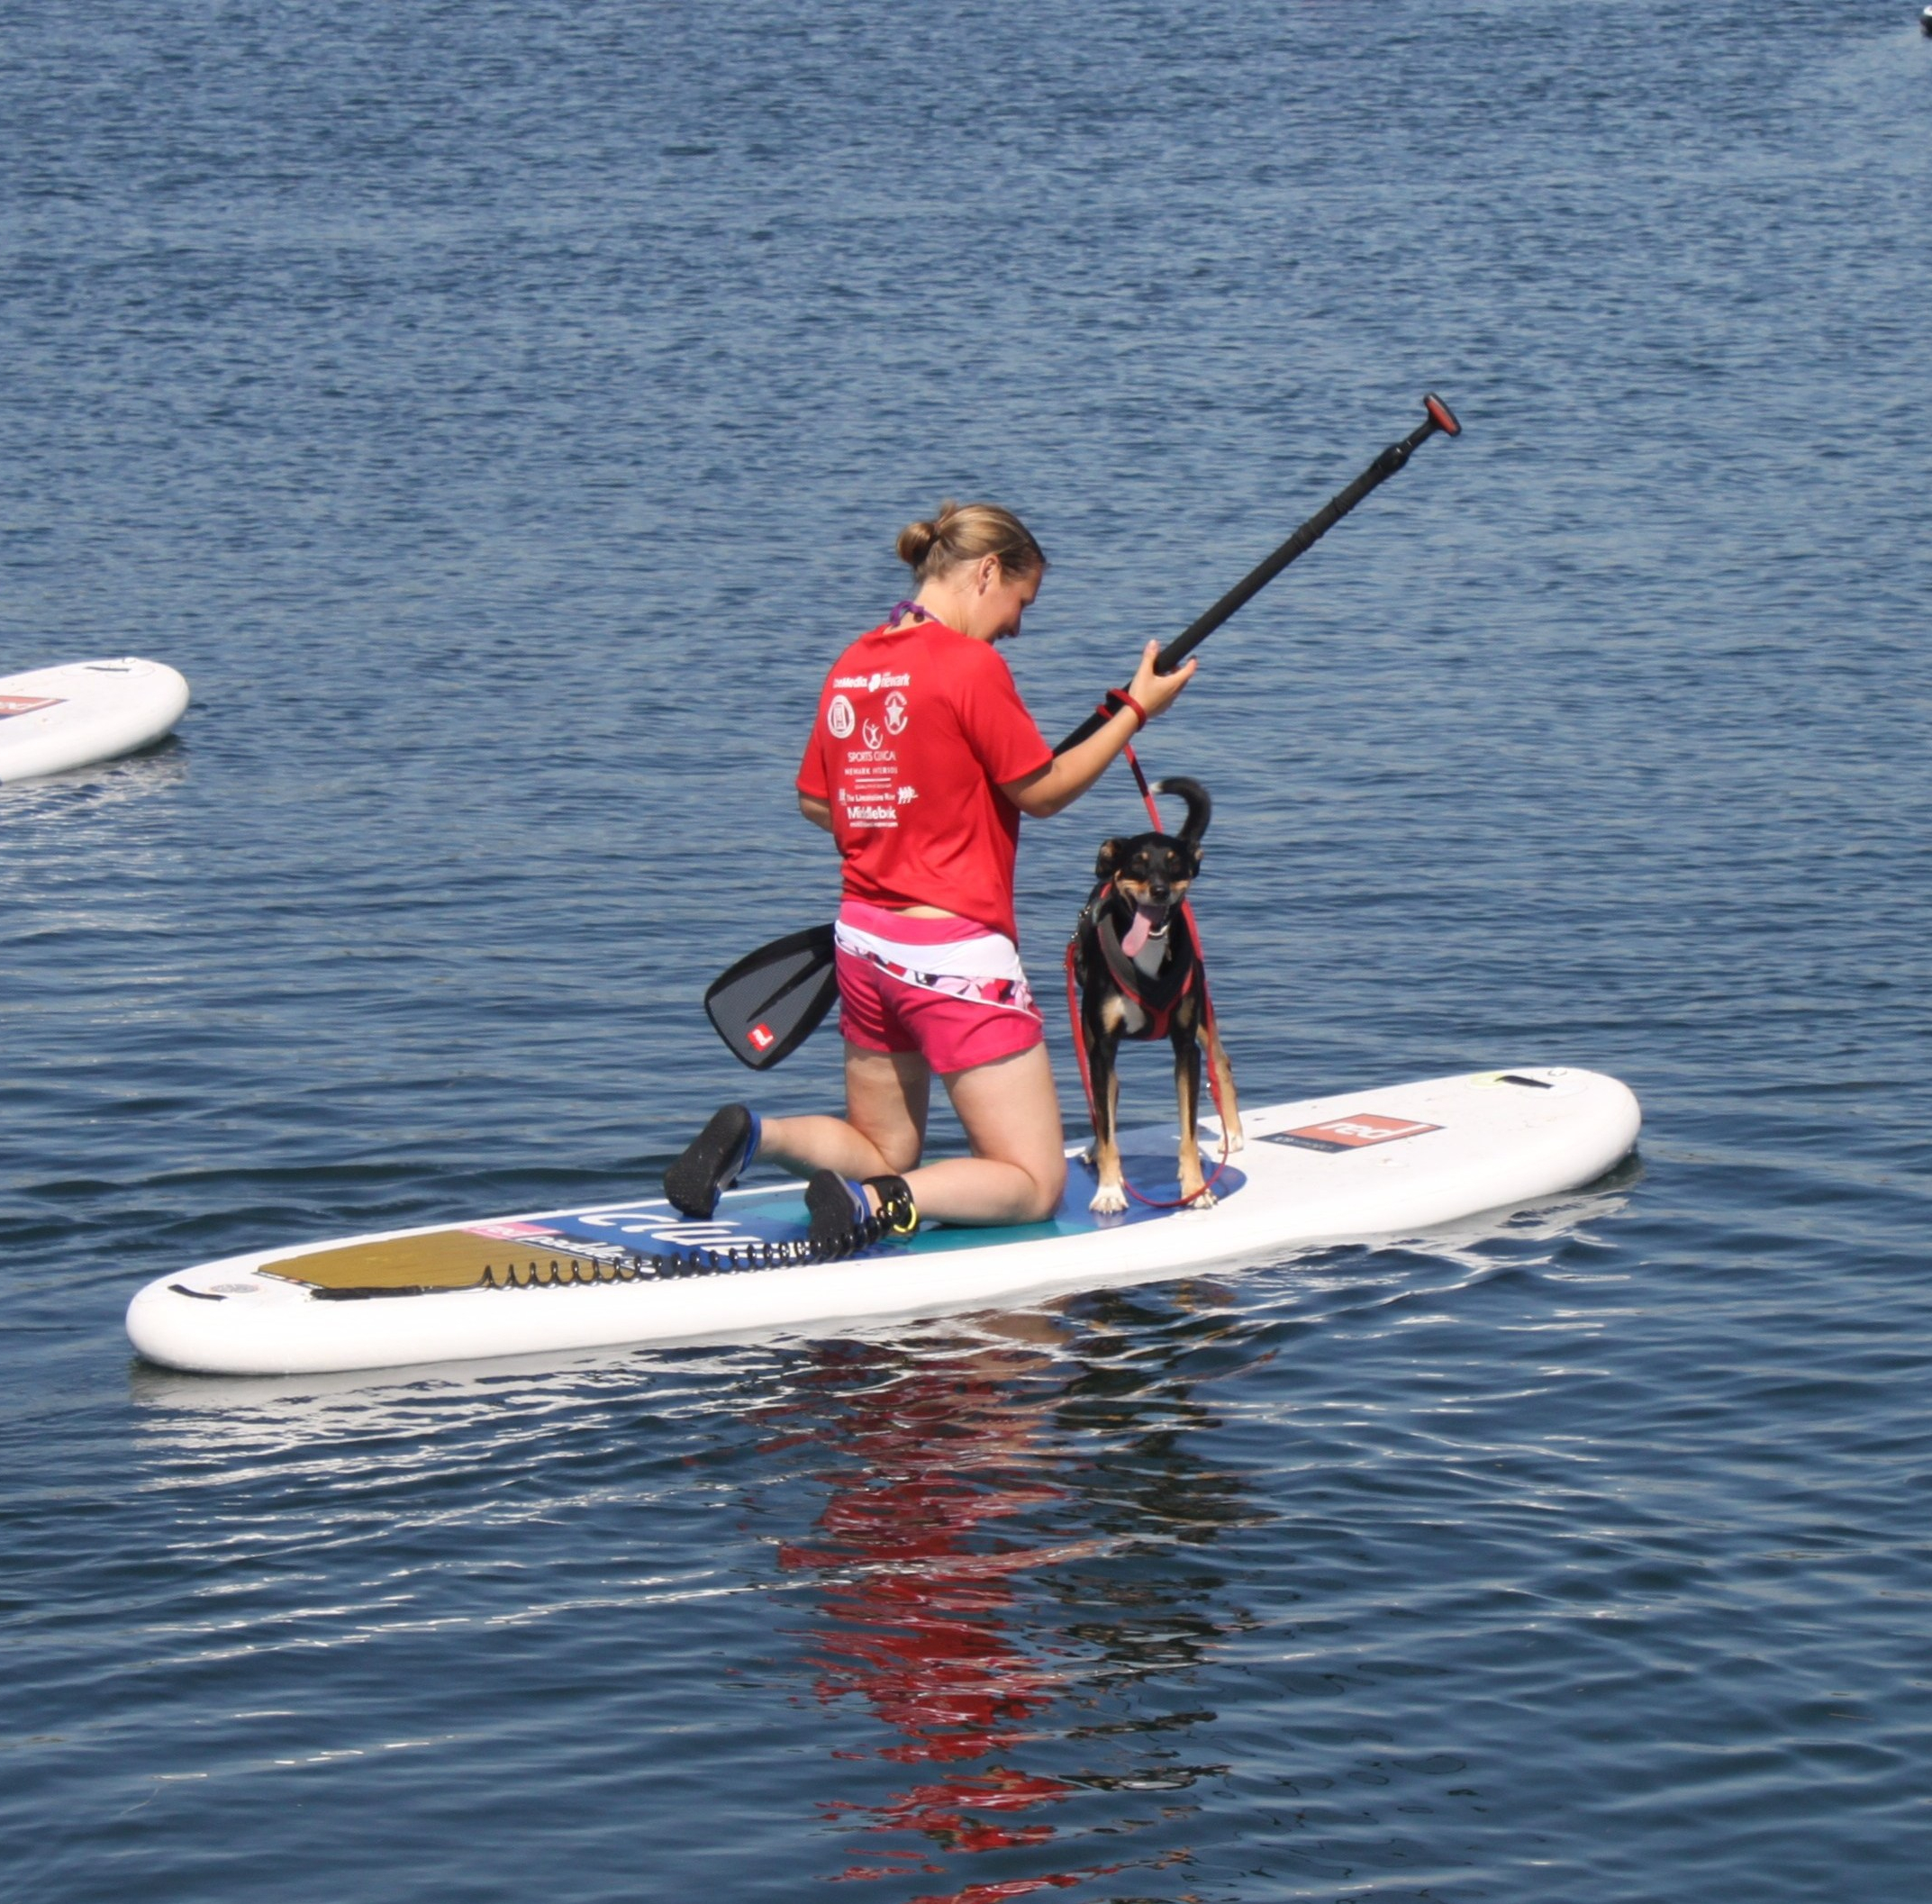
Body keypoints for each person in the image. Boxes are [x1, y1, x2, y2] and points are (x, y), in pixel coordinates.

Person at [665, 500, 1196, 1247]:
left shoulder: (854, 663)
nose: (1017, 625)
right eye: (1020, 602)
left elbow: (818, 801)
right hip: (952, 957)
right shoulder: (971, 666)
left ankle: (758, 1134)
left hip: (861, 944)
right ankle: (873, 1206)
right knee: (1032, 1183)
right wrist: (1135, 709)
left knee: (884, 1144)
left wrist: (914, 805)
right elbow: (1041, 793)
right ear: (986, 573)